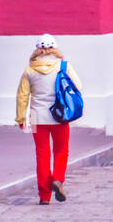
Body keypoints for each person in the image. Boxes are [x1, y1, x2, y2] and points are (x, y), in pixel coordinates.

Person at [16, 35, 83, 205]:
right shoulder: (64, 67)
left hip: (38, 118)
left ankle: (44, 196)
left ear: (37, 49)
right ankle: (58, 180)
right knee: (61, 150)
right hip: (60, 115)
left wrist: (21, 117)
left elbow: (22, 96)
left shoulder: (29, 70)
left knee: (42, 154)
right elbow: (79, 86)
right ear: (55, 48)